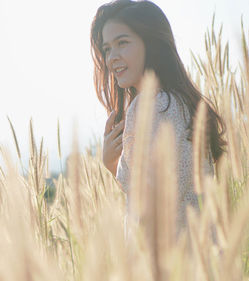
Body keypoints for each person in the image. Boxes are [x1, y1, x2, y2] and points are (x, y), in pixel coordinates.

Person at [90, 0, 226, 228]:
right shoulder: (182, 102)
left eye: (122, 43)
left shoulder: (148, 107)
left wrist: (111, 163)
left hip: (173, 259)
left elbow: (146, 210)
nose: (111, 57)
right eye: (107, 48)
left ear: (150, 43)